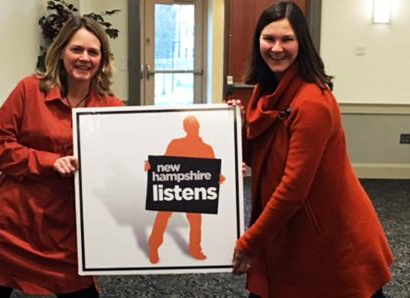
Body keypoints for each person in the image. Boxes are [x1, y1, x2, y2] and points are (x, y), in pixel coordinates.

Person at [231, 2, 393, 298]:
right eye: (269, 38)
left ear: (302, 44)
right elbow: (257, 156)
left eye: (287, 39)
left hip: (332, 238)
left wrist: (248, 243)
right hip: (290, 231)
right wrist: (230, 125)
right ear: (258, 43)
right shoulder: (264, 93)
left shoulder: (312, 102)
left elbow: (293, 188)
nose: (276, 48)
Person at [0, 16, 123, 297]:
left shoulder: (111, 106)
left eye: (93, 51)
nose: (84, 58)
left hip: (67, 235)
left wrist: (224, 119)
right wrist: (49, 161)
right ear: (61, 51)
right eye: (76, 49)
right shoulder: (29, 90)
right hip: (12, 226)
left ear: (102, 59)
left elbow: (127, 155)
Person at [147, 115, 225, 264]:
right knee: (163, 215)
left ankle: (195, 249)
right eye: (189, 126)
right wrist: (152, 165)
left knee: (196, 220)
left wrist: (219, 177)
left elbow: (212, 170)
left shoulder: (206, 148)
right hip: (174, 188)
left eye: (194, 126)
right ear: (185, 128)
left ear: (198, 127)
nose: (192, 129)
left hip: (193, 190)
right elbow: (164, 164)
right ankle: (154, 246)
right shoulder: (175, 144)